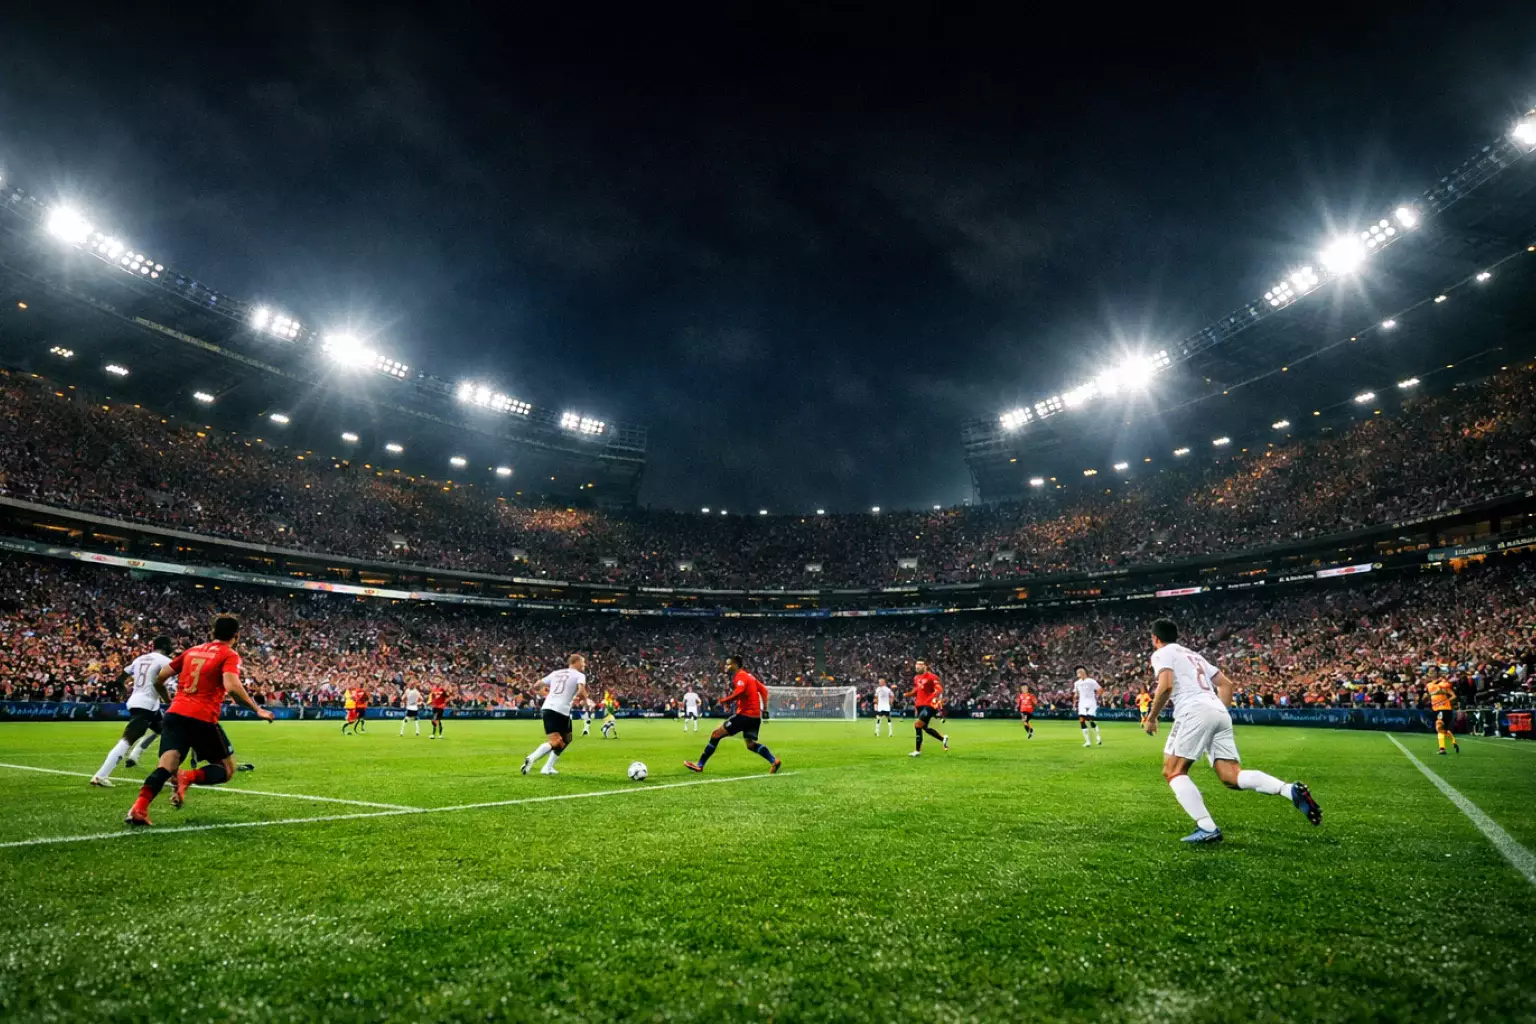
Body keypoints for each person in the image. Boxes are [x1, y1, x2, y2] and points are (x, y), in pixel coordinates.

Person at [1143, 618, 1321, 843]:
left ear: (1155, 638)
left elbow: (1166, 685)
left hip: (1193, 709)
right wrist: (1217, 712)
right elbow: (1226, 685)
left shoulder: (1162, 653)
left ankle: (1206, 827)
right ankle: (1289, 790)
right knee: (1231, 776)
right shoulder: (1195, 656)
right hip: (1218, 710)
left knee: (1173, 771)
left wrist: (1152, 718)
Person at [125, 614, 274, 827]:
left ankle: (138, 809)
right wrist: (257, 709)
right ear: (236, 636)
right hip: (201, 717)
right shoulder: (228, 654)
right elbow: (232, 686)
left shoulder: (191, 651)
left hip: (175, 714)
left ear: (212, 632)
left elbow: (159, 678)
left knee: (166, 767)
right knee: (226, 769)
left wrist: (169, 699)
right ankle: (187, 777)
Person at [91, 635, 174, 787]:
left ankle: (168, 773)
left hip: (141, 702)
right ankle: (100, 775)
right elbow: (159, 683)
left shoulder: (140, 659)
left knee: (168, 733)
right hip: (146, 705)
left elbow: (122, 675)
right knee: (126, 740)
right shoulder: (165, 661)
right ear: (166, 646)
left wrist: (122, 689)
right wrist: (169, 700)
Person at [685, 655, 782, 774]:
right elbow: (764, 691)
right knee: (751, 745)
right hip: (755, 717)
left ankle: (700, 765)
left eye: (728, 664)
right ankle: (774, 761)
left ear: (735, 664)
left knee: (715, 735)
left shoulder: (740, 676)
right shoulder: (750, 677)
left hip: (745, 716)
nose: (726, 666)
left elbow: (739, 691)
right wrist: (765, 709)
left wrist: (725, 701)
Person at [521, 654, 589, 776]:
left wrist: (544, 692)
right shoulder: (580, 675)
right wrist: (583, 699)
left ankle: (547, 767)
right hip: (561, 710)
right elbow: (581, 690)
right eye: (583, 662)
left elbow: (536, 685)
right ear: (575, 662)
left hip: (548, 708)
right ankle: (532, 757)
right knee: (556, 741)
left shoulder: (556, 673)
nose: (584, 665)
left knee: (567, 738)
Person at [906, 659, 948, 757]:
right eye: (916, 664)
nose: (917, 666)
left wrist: (931, 698)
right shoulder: (916, 678)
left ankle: (917, 751)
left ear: (926, 666)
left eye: (920, 664)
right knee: (924, 728)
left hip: (929, 706)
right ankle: (943, 739)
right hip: (920, 705)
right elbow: (917, 689)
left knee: (917, 725)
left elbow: (939, 689)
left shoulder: (932, 676)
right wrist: (909, 694)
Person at [1427, 674, 1460, 755]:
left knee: (1439, 728)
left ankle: (1443, 749)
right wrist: (1442, 688)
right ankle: (1452, 742)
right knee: (1442, 730)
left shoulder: (1443, 686)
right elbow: (1433, 691)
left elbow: (1453, 696)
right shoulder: (1431, 685)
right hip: (1443, 709)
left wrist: (1446, 700)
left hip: (1441, 709)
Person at [1074, 666, 1103, 747]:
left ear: (1083, 673)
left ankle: (1098, 737)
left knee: (1090, 719)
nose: (1077, 674)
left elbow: (1100, 689)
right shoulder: (1077, 683)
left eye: (1078, 673)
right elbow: (1076, 693)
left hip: (1091, 702)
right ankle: (1087, 742)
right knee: (1081, 720)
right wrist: (1075, 699)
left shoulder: (1091, 681)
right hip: (1082, 703)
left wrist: (1097, 697)